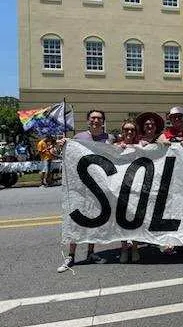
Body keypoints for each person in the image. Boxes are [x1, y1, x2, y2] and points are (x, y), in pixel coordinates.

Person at [57, 109, 114, 273]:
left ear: (103, 121)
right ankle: (71, 255)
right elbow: (64, 154)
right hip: (81, 185)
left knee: (95, 219)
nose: (96, 120)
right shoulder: (78, 138)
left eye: (99, 118)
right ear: (88, 121)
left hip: (101, 186)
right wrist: (62, 145)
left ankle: (91, 253)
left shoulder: (109, 138)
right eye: (93, 118)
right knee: (76, 218)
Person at [115, 119, 141, 263]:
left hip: (137, 188)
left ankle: (136, 247)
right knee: (121, 219)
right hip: (121, 189)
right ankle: (124, 248)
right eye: (126, 129)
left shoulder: (142, 146)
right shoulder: (115, 146)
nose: (129, 132)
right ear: (122, 131)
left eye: (132, 129)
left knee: (136, 218)